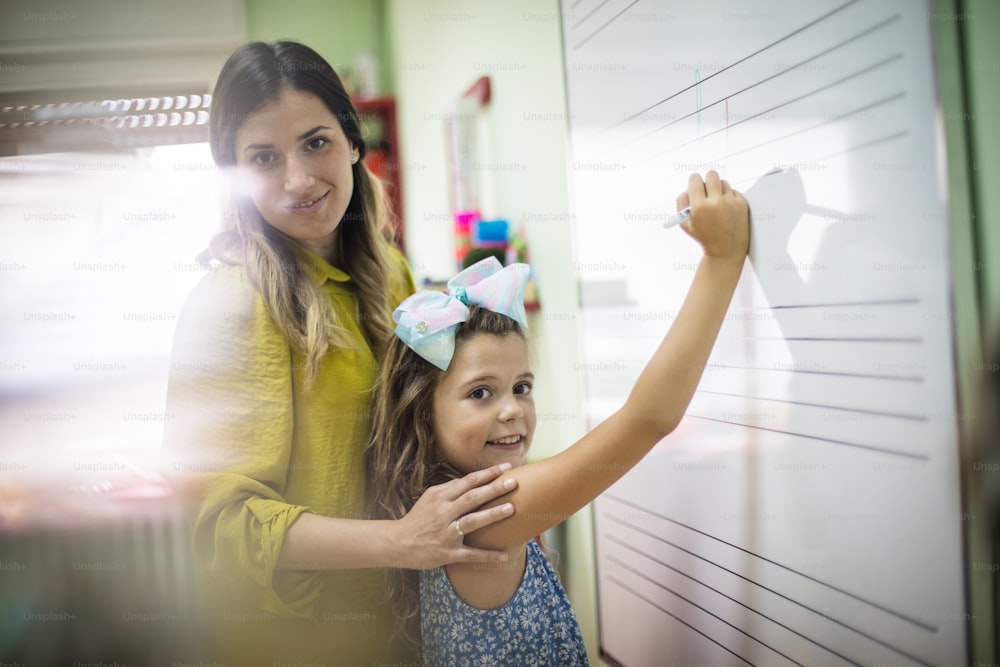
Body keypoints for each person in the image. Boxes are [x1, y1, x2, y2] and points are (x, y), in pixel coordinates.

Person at [160, 40, 518, 665]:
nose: (298, 179)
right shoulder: (231, 305)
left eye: (316, 142)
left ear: (354, 143)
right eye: (264, 157)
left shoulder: (393, 275)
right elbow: (221, 526)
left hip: (403, 621)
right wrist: (400, 541)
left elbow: (422, 429)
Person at [367, 170, 751, 665]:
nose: (512, 409)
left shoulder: (445, 506)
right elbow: (647, 419)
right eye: (480, 393)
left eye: (522, 387)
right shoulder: (482, 516)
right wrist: (721, 259)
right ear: (423, 415)